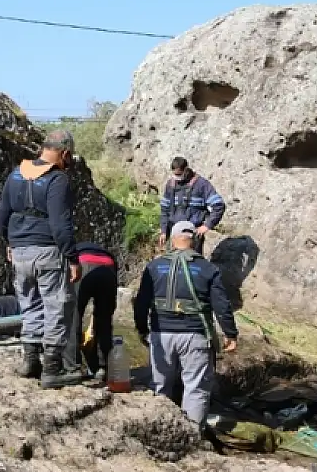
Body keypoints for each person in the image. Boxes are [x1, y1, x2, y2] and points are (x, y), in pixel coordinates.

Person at [0, 129, 83, 389]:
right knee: (56, 306)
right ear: (64, 153)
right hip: (48, 251)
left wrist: (10, 242)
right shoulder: (58, 179)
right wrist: (72, 257)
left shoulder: (15, 174)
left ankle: (30, 362)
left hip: (20, 251)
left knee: (30, 304)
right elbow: (60, 224)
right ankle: (52, 370)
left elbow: (3, 213)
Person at [134, 221, 238, 424]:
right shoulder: (207, 268)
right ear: (195, 239)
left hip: (161, 333)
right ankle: (193, 435)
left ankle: (158, 429)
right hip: (195, 336)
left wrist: (141, 329)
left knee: (159, 386)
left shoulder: (155, 267)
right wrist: (230, 333)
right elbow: (221, 304)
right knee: (195, 388)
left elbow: (141, 302)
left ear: (172, 240)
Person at [63, 241, 119, 381]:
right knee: (105, 319)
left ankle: (73, 367)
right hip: (108, 267)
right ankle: (102, 367)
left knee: (73, 317)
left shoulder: (72, 250)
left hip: (83, 265)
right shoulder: (104, 252)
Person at [157, 157, 225, 255]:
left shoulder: (201, 184)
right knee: (173, 265)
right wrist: (164, 231)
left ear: (186, 169)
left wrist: (207, 225)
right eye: (174, 174)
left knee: (191, 266)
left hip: (193, 234)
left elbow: (218, 205)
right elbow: (164, 209)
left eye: (179, 174)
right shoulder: (171, 185)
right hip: (174, 233)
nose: (177, 177)